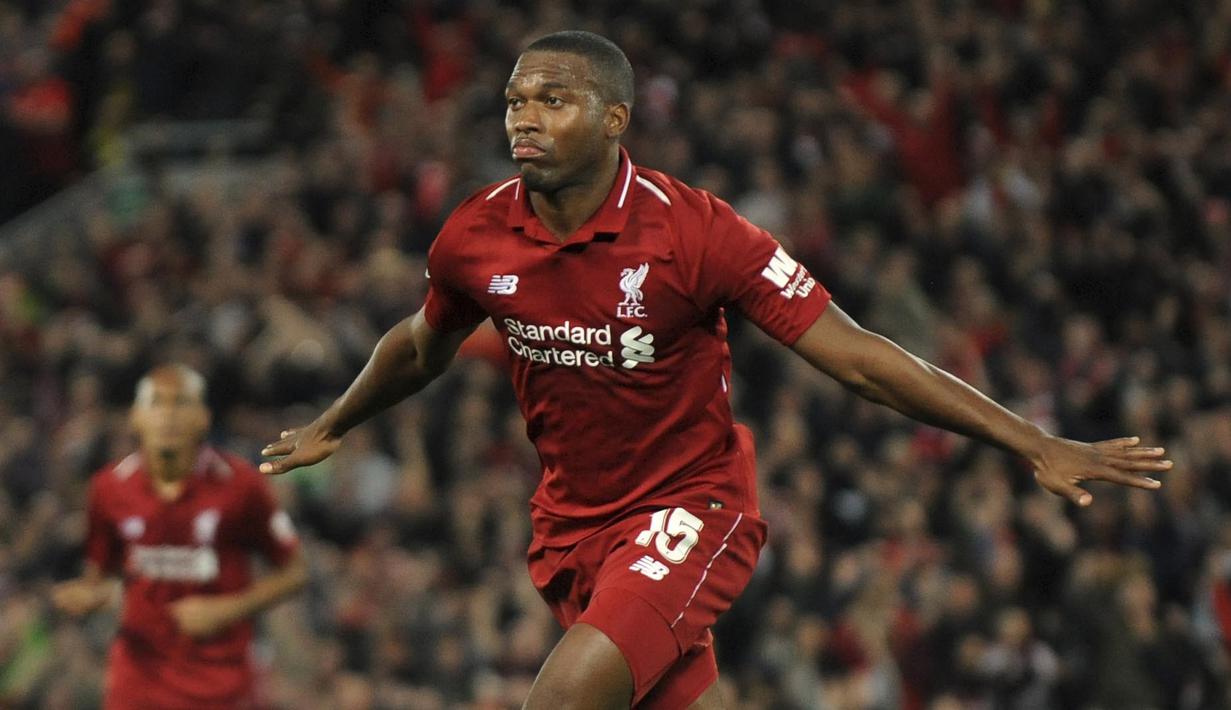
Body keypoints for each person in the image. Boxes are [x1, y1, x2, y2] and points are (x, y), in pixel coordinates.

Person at [258, 31, 1171, 709]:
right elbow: (422, 345)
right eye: (512, 101)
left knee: (559, 702)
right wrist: (337, 422)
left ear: (614, 119)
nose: (522, 119)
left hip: (692, 510)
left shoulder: (694, 232)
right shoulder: (475, 232)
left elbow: (855, 357)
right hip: (571, 529)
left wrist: (1027, 439)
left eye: (551, 100)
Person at [53, 364, 309, 710]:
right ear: (136, 418)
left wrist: (228, 609)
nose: (169, 416)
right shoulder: (108, 488)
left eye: (182, 403)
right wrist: (90, 595)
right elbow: (102, 577)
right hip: (138, 677)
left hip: (220, 681)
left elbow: (295, 572)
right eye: (157, 403)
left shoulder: (241, 485)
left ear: (203, 418)